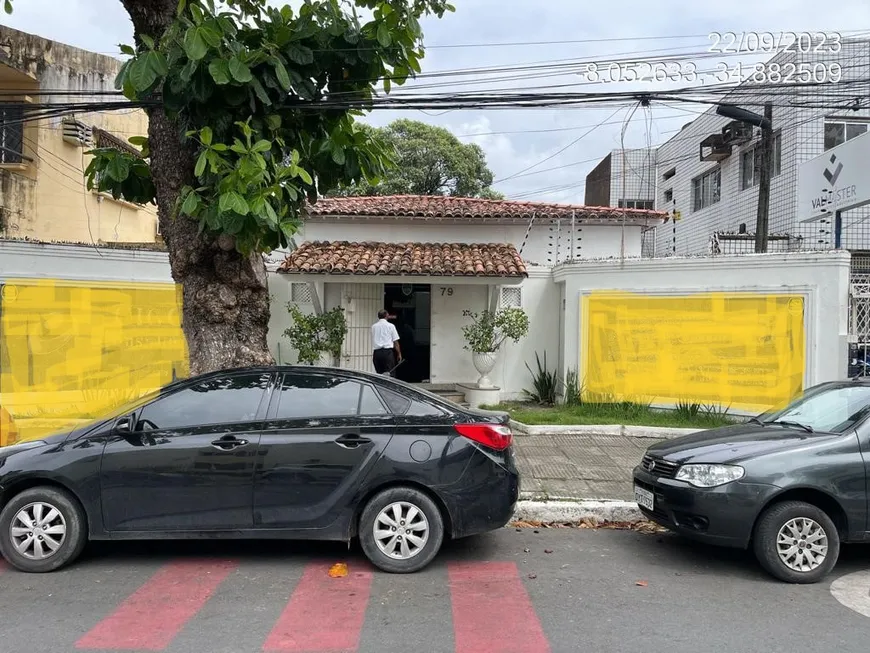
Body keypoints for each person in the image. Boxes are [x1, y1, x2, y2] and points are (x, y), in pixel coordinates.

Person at [371, 309, 402, 375]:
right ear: (386, 315)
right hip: (387, 353)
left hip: (377, 353)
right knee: (390, 373)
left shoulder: (373, 326)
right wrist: (399, 353)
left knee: (379, 374)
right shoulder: (391, 326)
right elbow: (395, 341)